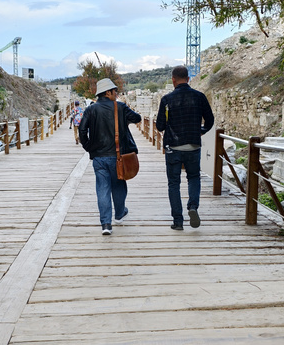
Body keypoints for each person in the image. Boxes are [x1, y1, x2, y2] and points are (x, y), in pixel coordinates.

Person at [78, 78, 142, 235]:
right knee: (119, 185)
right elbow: (137, 118)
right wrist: (124, 113)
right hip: (118, 156)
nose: (116, 94)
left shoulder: (90, 109)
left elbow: (81, 130)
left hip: (99, 158)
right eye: (115, 92)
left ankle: (106, 224)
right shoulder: (119, 107)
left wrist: (88, 147)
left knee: (102, 189)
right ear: (108, 92)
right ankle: (119, 214)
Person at [155, 65, 214, 231]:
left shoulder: (167, 100)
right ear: (188, 79)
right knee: (193, 177)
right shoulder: (199, 97)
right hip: (193, 145)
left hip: (173, 146)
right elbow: (210, 120)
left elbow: (160, 126)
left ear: (173, 80)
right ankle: (193, 206)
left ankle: (178, 221)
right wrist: (199, 131)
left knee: (173, 183)